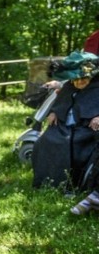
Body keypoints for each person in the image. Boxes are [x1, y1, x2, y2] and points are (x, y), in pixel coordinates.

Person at [32, 51, 99, 193]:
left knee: (70, 148)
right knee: (43, 143)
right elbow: (63, 100)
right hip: (64, 126)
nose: (80, 82)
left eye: (84, 78)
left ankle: (70, 185)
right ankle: (46, 182)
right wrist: (54, 112)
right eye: (76, 79)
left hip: (86, 130)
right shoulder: (69, 85)